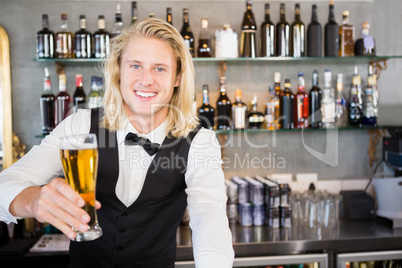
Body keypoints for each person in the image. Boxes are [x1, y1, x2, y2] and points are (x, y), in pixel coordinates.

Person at [0, 18, 234, 267]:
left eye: (160, 68)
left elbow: (210, 217)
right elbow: (5, 184)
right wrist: (33, 201)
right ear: (118, 71)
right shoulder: (80, 126)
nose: (146, 80)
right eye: (135, 65)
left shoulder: (200, 140)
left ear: (177, 78)